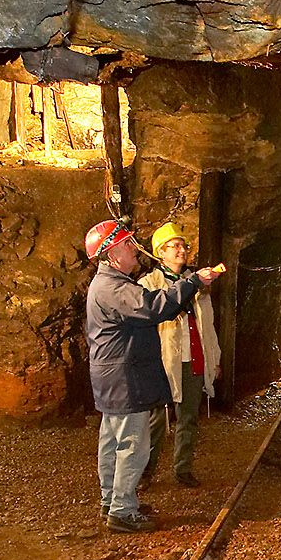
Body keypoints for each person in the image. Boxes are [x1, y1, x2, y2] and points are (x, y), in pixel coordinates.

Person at [83, 218, 222, 533]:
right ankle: (122, 510)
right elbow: (153, 307)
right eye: (127, 245)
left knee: (111, 440)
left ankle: (112, 500)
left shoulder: (108, 283)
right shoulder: (114, 287)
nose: (134, 249)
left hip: (112, 376)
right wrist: (194, 282)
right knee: (133, 443)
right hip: (126, 376)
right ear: (112, 253)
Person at [141, 222, 222, 488]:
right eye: (174, 246)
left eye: (183, 245)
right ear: (160, 252)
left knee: (188, 418)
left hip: (194, 358)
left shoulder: (200, 281)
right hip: (162, 362)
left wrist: (215, 359)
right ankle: (145, 473)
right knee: (155, 421)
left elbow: (208, 325)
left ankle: (183, 468)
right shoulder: (149, 284)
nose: (181, 250)